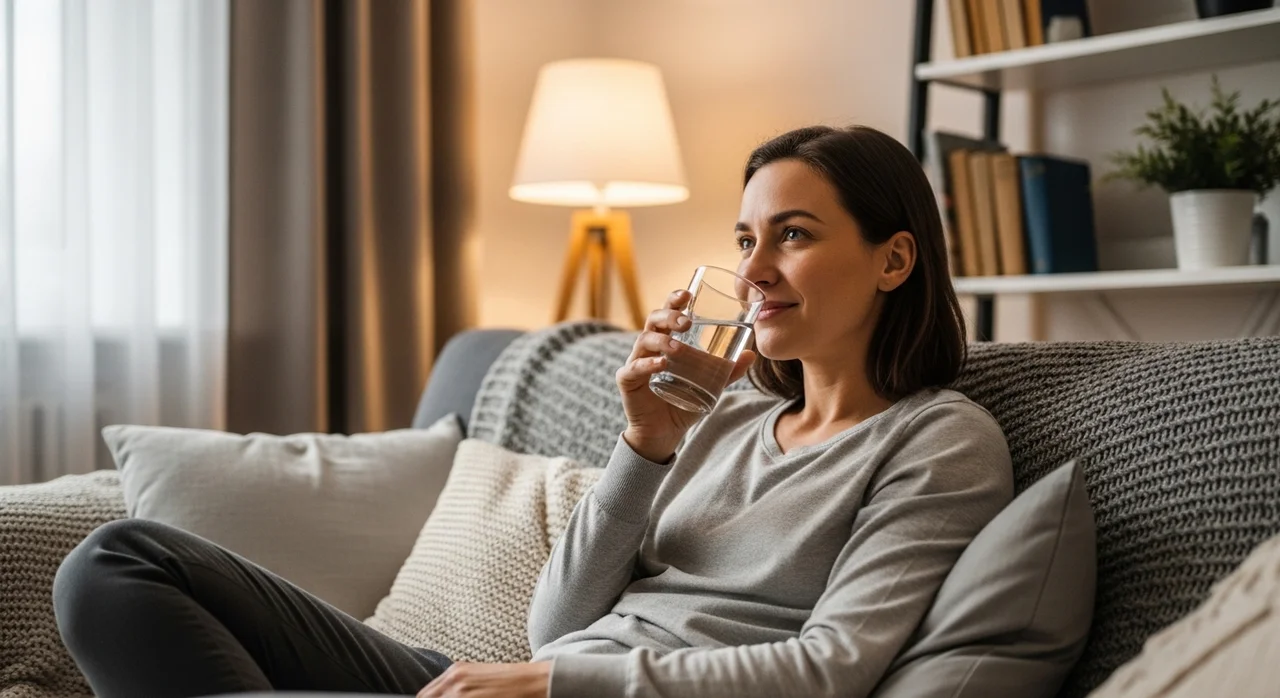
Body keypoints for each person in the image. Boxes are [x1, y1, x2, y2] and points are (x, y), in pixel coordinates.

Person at [52, 124, 1013, 698]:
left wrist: (557, 684)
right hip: (529, 680)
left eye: (793, 237)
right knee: (120, 560)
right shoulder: (722, 415)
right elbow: (555, 624)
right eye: (744, 239)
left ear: (894, 259)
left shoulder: (937, 441)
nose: (754, 272)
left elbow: (831, 669)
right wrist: (643, 444)